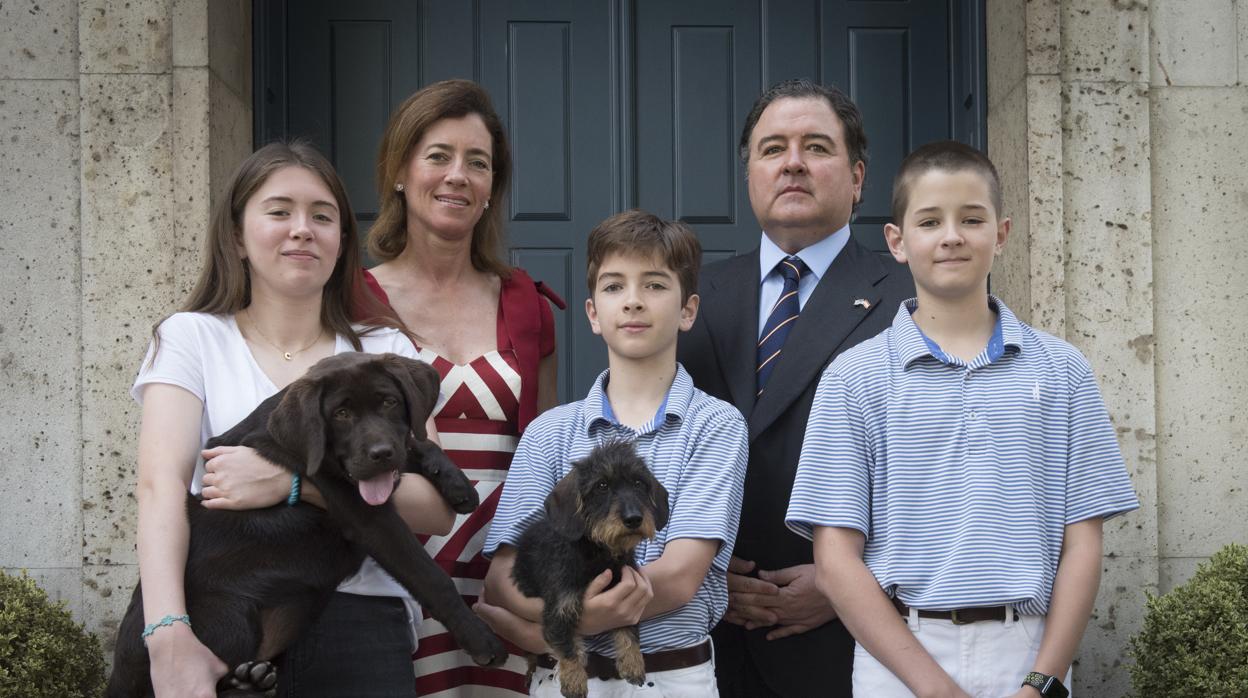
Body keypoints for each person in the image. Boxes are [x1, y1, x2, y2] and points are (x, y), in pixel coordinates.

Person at [785, 141, 1140, 697]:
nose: (951, 236)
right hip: (901, 657)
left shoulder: (1062, 369)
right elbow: (834, 560)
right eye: (930, 221)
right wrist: (935, 689)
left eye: (971, 219)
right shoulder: (855, 377)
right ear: (897, 241)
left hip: (1027, 652)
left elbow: (1083, 543)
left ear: (1001, 234)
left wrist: (1042, 682)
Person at [132, 141, 456, 698]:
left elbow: (435, 508)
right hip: (227, 617)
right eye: (280, 211)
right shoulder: (192, 338)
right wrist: (167, 634)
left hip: (362, 625)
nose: (302, 230)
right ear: (237, 236)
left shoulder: (382, 350)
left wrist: (294, 484)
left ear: (341, 242)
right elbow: (160, 487)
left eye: (322, 217)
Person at [675, 78, 914, 696]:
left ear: (857, 178)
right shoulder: (684, 299)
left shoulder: (912, 301)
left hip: (849, 648)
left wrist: (849, 584)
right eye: (773, 148)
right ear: (750, 174)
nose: (793, 163)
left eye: (817, 147)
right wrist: (695, 573)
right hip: (700, 646)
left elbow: (948, 471)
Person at [479, 210, 749, 697]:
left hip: (670, 678)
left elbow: (680, 576)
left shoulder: (716, 425)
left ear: (687, 311)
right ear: (592, 313)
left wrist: (553, 625)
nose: (633, 300)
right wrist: (569, 624)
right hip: (562, 680)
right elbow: (502, 577)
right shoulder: (549, 433)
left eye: (655, 285)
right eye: (614, 286)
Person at [361, 78, 563, 696]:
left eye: (478, 162)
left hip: (506, 580)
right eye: (438, 156)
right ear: (400, 171)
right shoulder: (353, 305)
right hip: (393, 575)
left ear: (492, 186)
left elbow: (546, 456)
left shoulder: (527, 305)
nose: (458, 176)